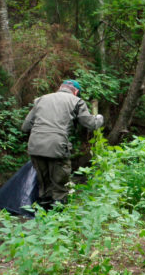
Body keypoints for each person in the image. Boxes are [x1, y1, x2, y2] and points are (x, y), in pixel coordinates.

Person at [22, 80, 104, 209]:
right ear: (76, 92)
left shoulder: (41, 100)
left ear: (60, 87)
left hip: (35, 146)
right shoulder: (76, 101)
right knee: (60, 186)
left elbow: (25, 127)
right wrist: (99, 118)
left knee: (44, 185)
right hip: (57, 146)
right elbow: (90, 124)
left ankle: (42, 217)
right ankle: (58, 219)